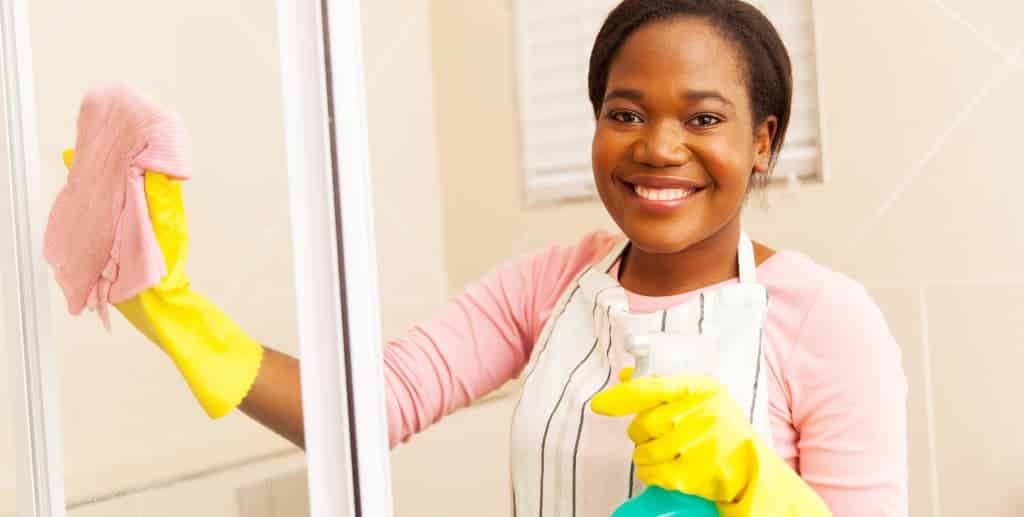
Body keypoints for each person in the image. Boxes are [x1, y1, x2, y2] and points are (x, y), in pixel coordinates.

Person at [94, 0, 907, 515]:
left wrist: (753, 487)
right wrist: (174, 310)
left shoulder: (827, 321)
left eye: (703, 120)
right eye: (626, 113)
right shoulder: (554, 283)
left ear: (761, 142)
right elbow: (364, 410)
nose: (658, 148)